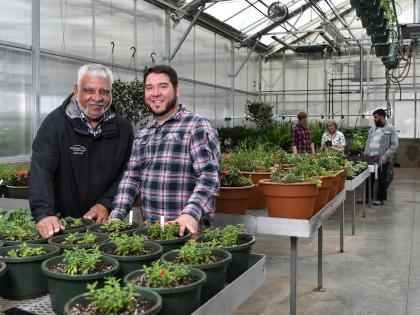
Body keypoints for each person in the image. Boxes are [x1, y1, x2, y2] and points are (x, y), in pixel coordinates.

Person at [108, 65, 220, 238]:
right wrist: (116, 216)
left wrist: (190, 214)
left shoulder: (196, 126)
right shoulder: (143, 134)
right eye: (149, 88)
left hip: (189, 233)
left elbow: (209, 177)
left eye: (163, 86)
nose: (155, 93)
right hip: (152, 235)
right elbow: (132, 178)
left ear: (176, 90)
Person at [29, 64, 134, 237]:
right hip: (62, 225)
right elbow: (41, 171)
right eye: (89, 90)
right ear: (77, 90)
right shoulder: (55, 124)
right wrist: (44, 214)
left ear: (111, 94)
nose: (97, 98)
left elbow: (128, 173)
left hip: (105, 224)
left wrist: (106, 203)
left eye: (104, 92)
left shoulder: (123, 129)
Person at [363, 108, 399, 205]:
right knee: (369, 178)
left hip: (382, 159)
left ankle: (380, 198)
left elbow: (394, 144)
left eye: (376, 117)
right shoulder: (372, 128)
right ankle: (367, 198)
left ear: (382, 117)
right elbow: (368, 142)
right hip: (370, 158)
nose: (374, 119)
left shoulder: (391, 129)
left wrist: (386, 156)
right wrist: (365, 155)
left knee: (382, 179)